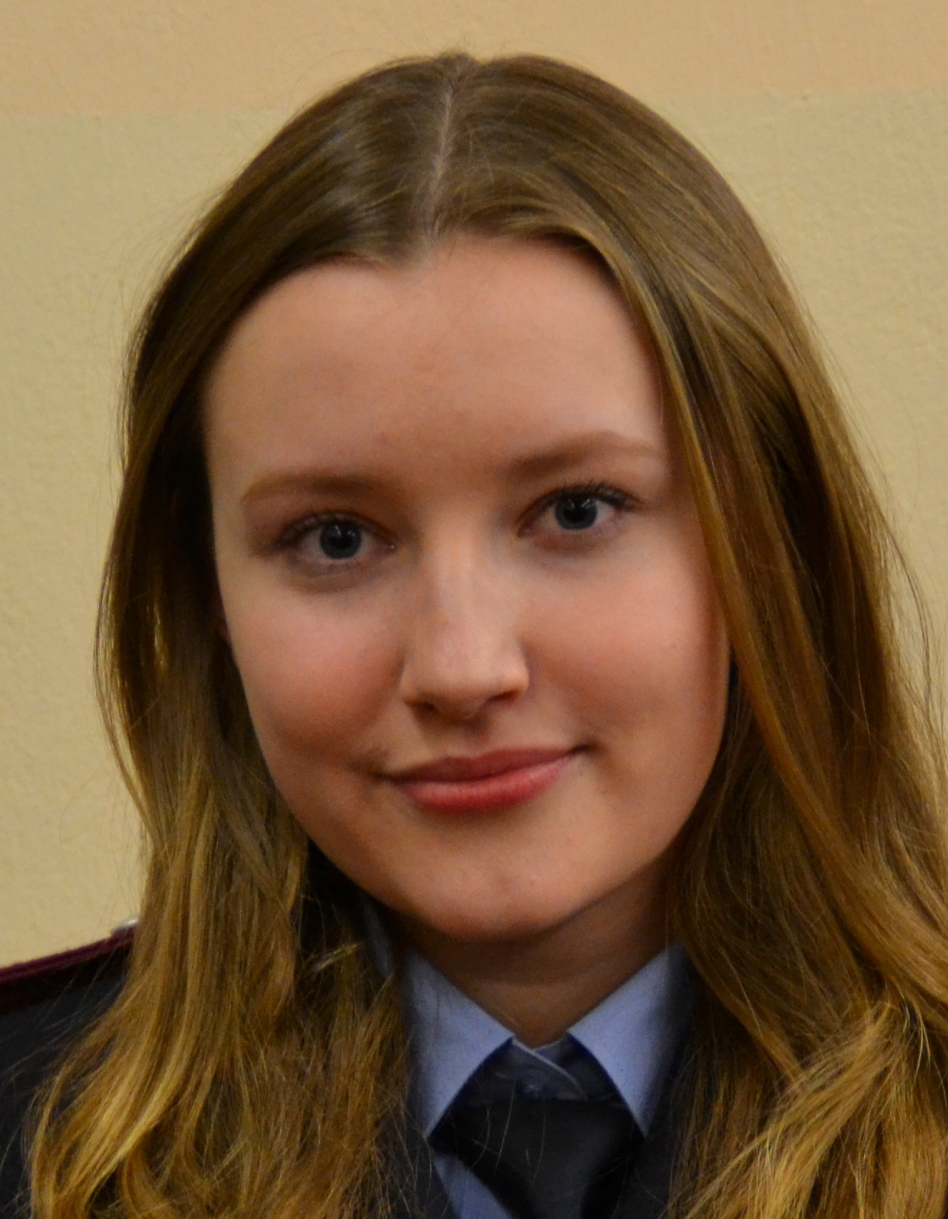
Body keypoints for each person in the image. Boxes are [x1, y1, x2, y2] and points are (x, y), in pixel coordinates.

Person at [2, 51, 947, 1219]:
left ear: (773, 543)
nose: (461, 667)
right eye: (336, 538)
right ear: (208, 601)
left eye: (577, 511)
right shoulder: (31, 1147)